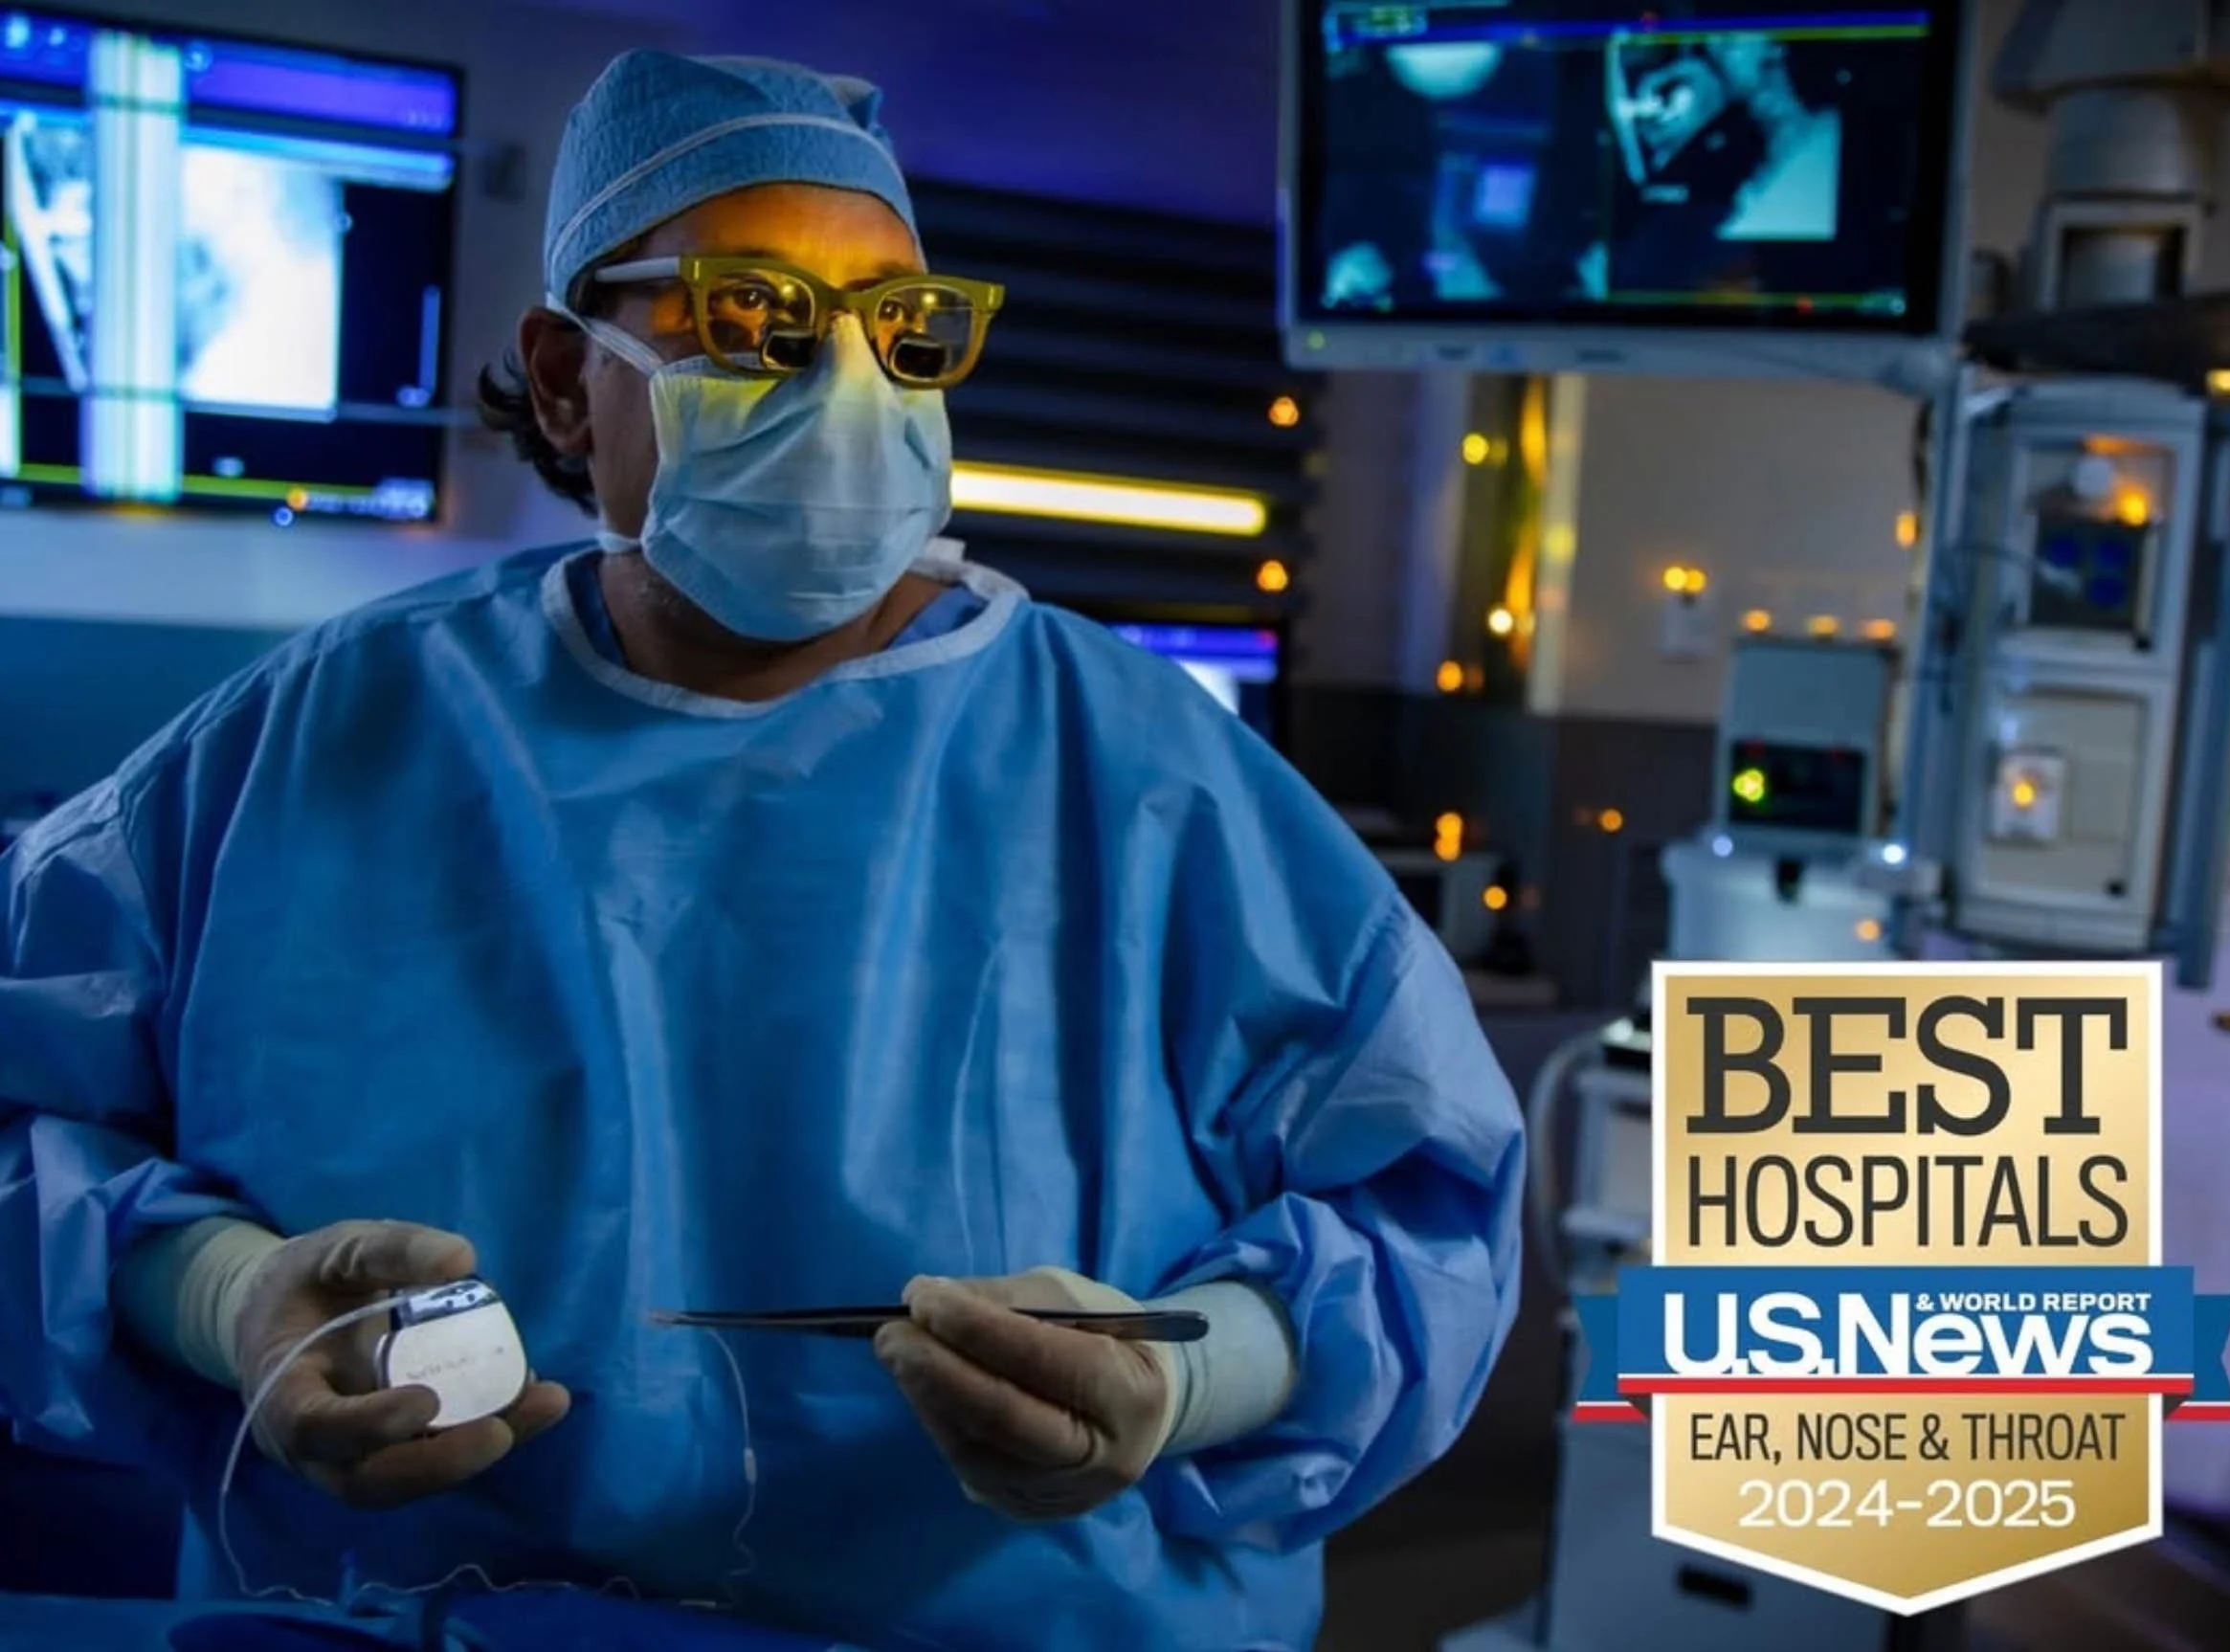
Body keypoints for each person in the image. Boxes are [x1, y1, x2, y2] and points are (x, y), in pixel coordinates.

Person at [0, 51, 1525, 1652]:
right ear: (566, 370)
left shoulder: (1151, 776)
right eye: (751, 317)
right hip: (392, 1615)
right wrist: (228, 1295)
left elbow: (1419, 1211)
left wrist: (1186, 1367)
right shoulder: (314, 739)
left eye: (903, 328)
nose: (849, 388)